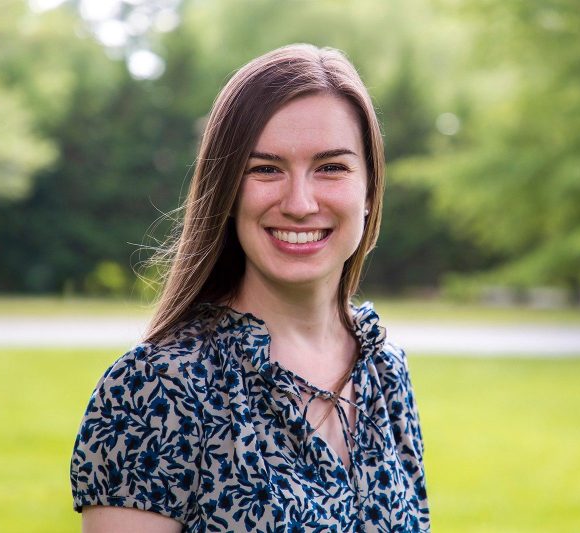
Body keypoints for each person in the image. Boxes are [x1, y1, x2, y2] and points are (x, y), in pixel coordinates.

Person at [70, 43, 430, 532]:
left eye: (331, 167)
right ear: (226, 194)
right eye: (265, 169)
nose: (300, 203)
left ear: (369, 190)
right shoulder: (157, 388)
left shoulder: (383, 368)